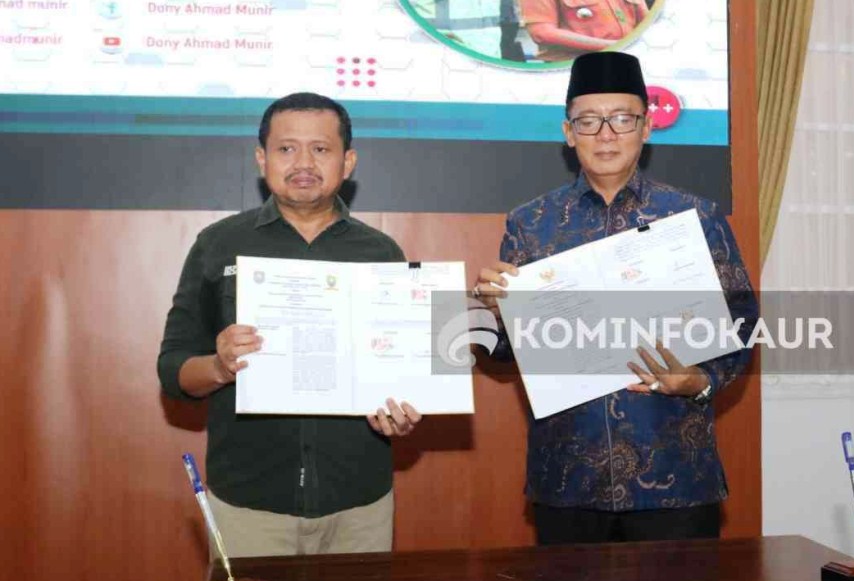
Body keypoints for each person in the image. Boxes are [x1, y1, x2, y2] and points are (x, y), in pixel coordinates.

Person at [474, 52, 758, 545]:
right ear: (569, 133)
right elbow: (501, 351)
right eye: (589, 121)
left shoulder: (694, 218)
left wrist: (698, 381)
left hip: (676, 479)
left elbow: (743, 323)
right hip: (568, 480)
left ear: (646, 127)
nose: (606, 134)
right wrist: (490, 313)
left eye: (622, 119)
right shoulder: (531, 224)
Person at [157, 92, 422, 557]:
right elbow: (173, 370)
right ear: (262, 159)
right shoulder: (217, 245)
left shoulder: (382, 253)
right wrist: (219, 366)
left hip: (359, 504)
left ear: (348, 161)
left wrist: (402, 414)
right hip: (248, 504)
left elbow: (403, 373)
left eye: (320, 149)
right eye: (286, 148)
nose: (303, 163)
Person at [520, 0, 656, 62]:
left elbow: (649, 25)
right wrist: (614, 46)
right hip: (572, 69)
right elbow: (542, 33)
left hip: (627, 64)